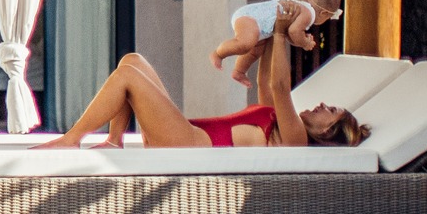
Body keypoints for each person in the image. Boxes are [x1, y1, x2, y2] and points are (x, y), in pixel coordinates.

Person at [38, 24, 369, 150]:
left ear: (327, 132)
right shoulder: (280, 122)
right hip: (182, 136)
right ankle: (114, 141)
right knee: (133, 61)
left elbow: (280, 85)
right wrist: (269, 32)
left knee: (129, 77)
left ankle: (71, 140)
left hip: (185, 145)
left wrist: (283, 32)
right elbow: (266, 83)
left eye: (330, 110)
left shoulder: (296, 140)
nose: (322, 104)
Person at [210, 0, 342, 89]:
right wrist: (305, 43)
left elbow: (289, 33)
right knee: (245, 44)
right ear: (324, 13)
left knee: (256, 50)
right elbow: (294, 32)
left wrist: (299, 37)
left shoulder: (299, 3)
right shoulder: (308, 13)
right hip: (250, 19)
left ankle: (239, 71)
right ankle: (218, 53)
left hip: (258, 24)